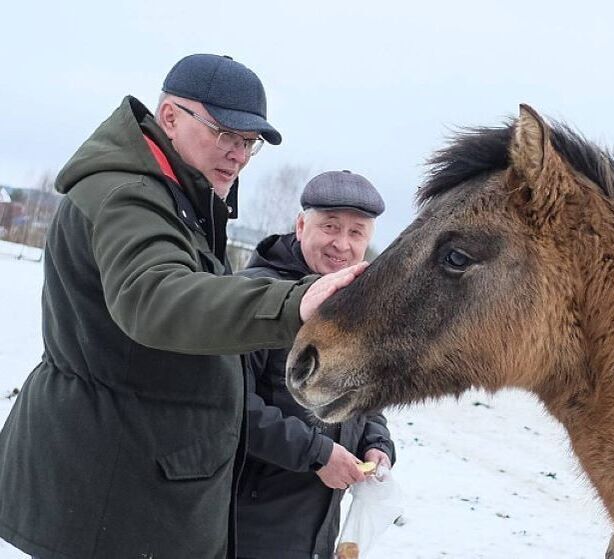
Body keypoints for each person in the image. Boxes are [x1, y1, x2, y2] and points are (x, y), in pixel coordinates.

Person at [0, 54, 365, 559]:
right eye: (224, 134)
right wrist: (296, 303)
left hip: (136, 485)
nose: (237, 154)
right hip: (109, 493)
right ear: (170, 117)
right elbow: (157, 297)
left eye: (248, 143)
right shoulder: (128, 196)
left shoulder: (175, 199)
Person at [236, 170, 396, 559]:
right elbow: (230, 406)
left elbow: (363, 399)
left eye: (356, 233)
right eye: (330, 226)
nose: (342, 244)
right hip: (247, 522)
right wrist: (316, 453)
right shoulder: (257, 296)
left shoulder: (356, 306)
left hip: (317, 525)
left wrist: (378, 444)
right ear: (301, 224)